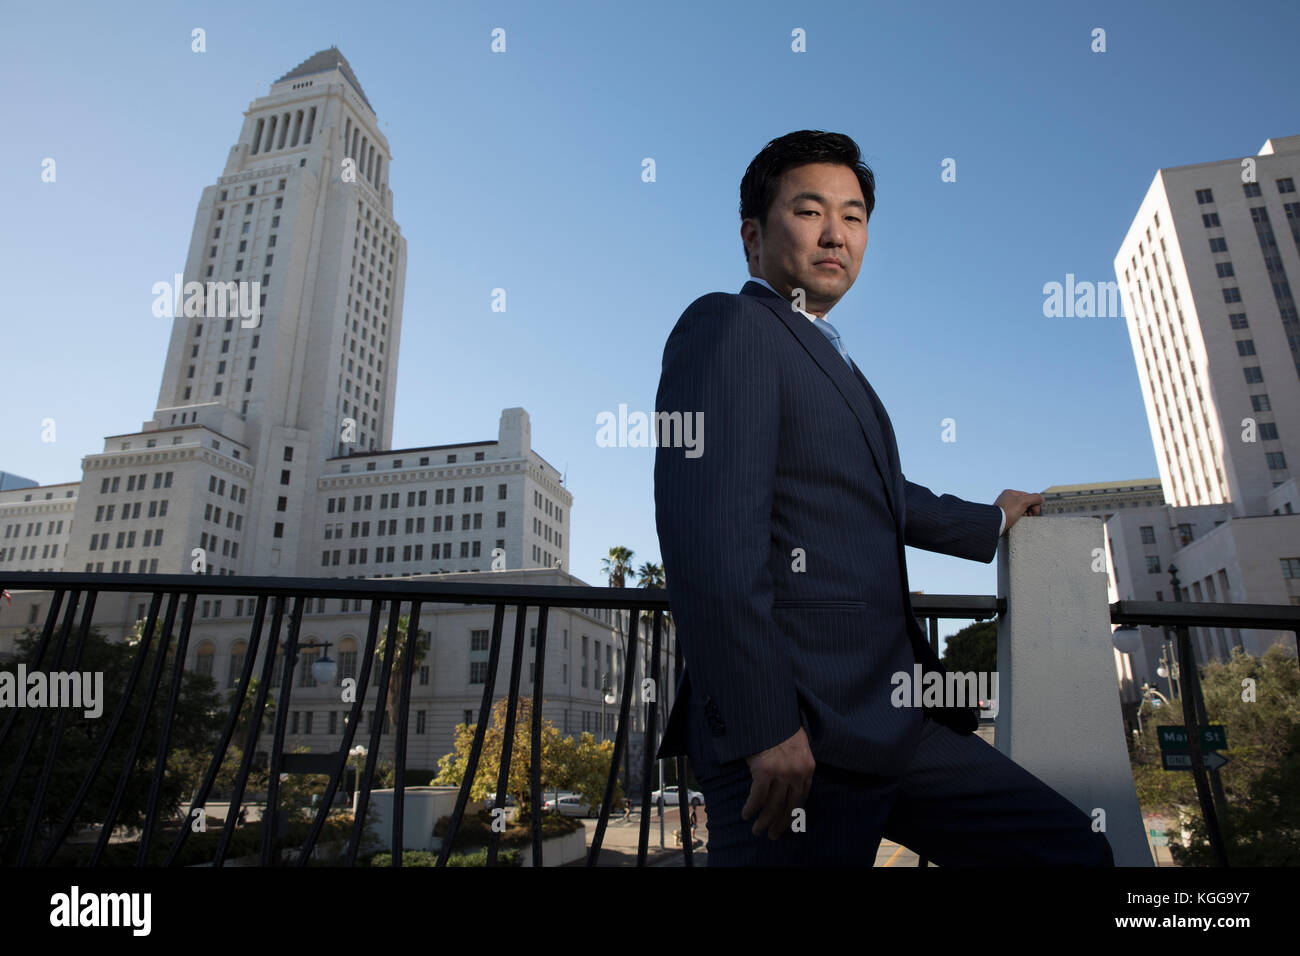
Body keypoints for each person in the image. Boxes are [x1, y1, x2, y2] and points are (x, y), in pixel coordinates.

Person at [653, 130, 1114, 868]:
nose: (836, 233)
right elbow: (707, 540)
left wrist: (990, 519)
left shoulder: (827, 352)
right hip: (795, 735)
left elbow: (874, 494)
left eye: (855, 215)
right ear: (752, 233)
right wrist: (762, 724)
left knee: (1072, 852)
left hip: (893, 718)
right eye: (809, 211)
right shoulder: (729, 326)